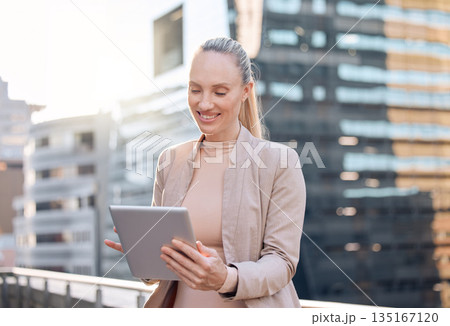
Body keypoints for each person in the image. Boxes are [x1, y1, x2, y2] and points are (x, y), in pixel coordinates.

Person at [105, 37, 306, 308]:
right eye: (195, 90)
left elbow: (282, 262)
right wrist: (143, 256)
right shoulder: (170, 160)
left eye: (220, 92)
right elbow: (157, 273)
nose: (205, 104)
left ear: (246, 90)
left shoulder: (281, 162)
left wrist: (226, 278)